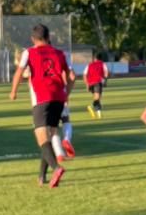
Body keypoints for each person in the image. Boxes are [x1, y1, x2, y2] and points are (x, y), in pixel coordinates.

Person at [9, 23, 74, 187]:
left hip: (42, 98)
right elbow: (72, 76)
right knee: (49, 137)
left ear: (33, 39)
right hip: (59, 98)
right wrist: (66, 93)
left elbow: (19, 71)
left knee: (41, 138)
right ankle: (41, 176)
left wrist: (13, 91)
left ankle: (56, 168)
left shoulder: (29, 52)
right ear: (48, 37)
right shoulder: (60, 53)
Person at [85, 53, 108, 118]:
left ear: (95, 58)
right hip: (97, 82)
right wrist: (105, 81)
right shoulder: (102, 64)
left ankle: (99, 114)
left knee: (96, 98)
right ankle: (91, 107)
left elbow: (84, 74)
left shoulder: (89, 65)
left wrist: (87, 84)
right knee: (98, 98)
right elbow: (106, 73)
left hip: (90, 83)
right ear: (101, 58)